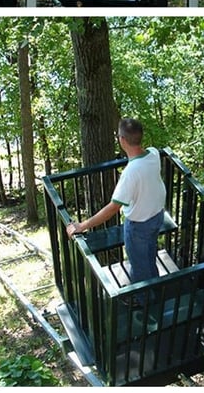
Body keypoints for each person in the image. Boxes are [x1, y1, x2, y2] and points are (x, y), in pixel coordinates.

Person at [66, 118, 166, 286]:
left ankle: (144, 298)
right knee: (149, 257)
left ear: (122, 140)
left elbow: (113, 208)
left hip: (139, 226)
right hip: (156, 217)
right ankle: (155, 288)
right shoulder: (153, 154)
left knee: (139, 267)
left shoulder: (130, 173)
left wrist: (82, 226)